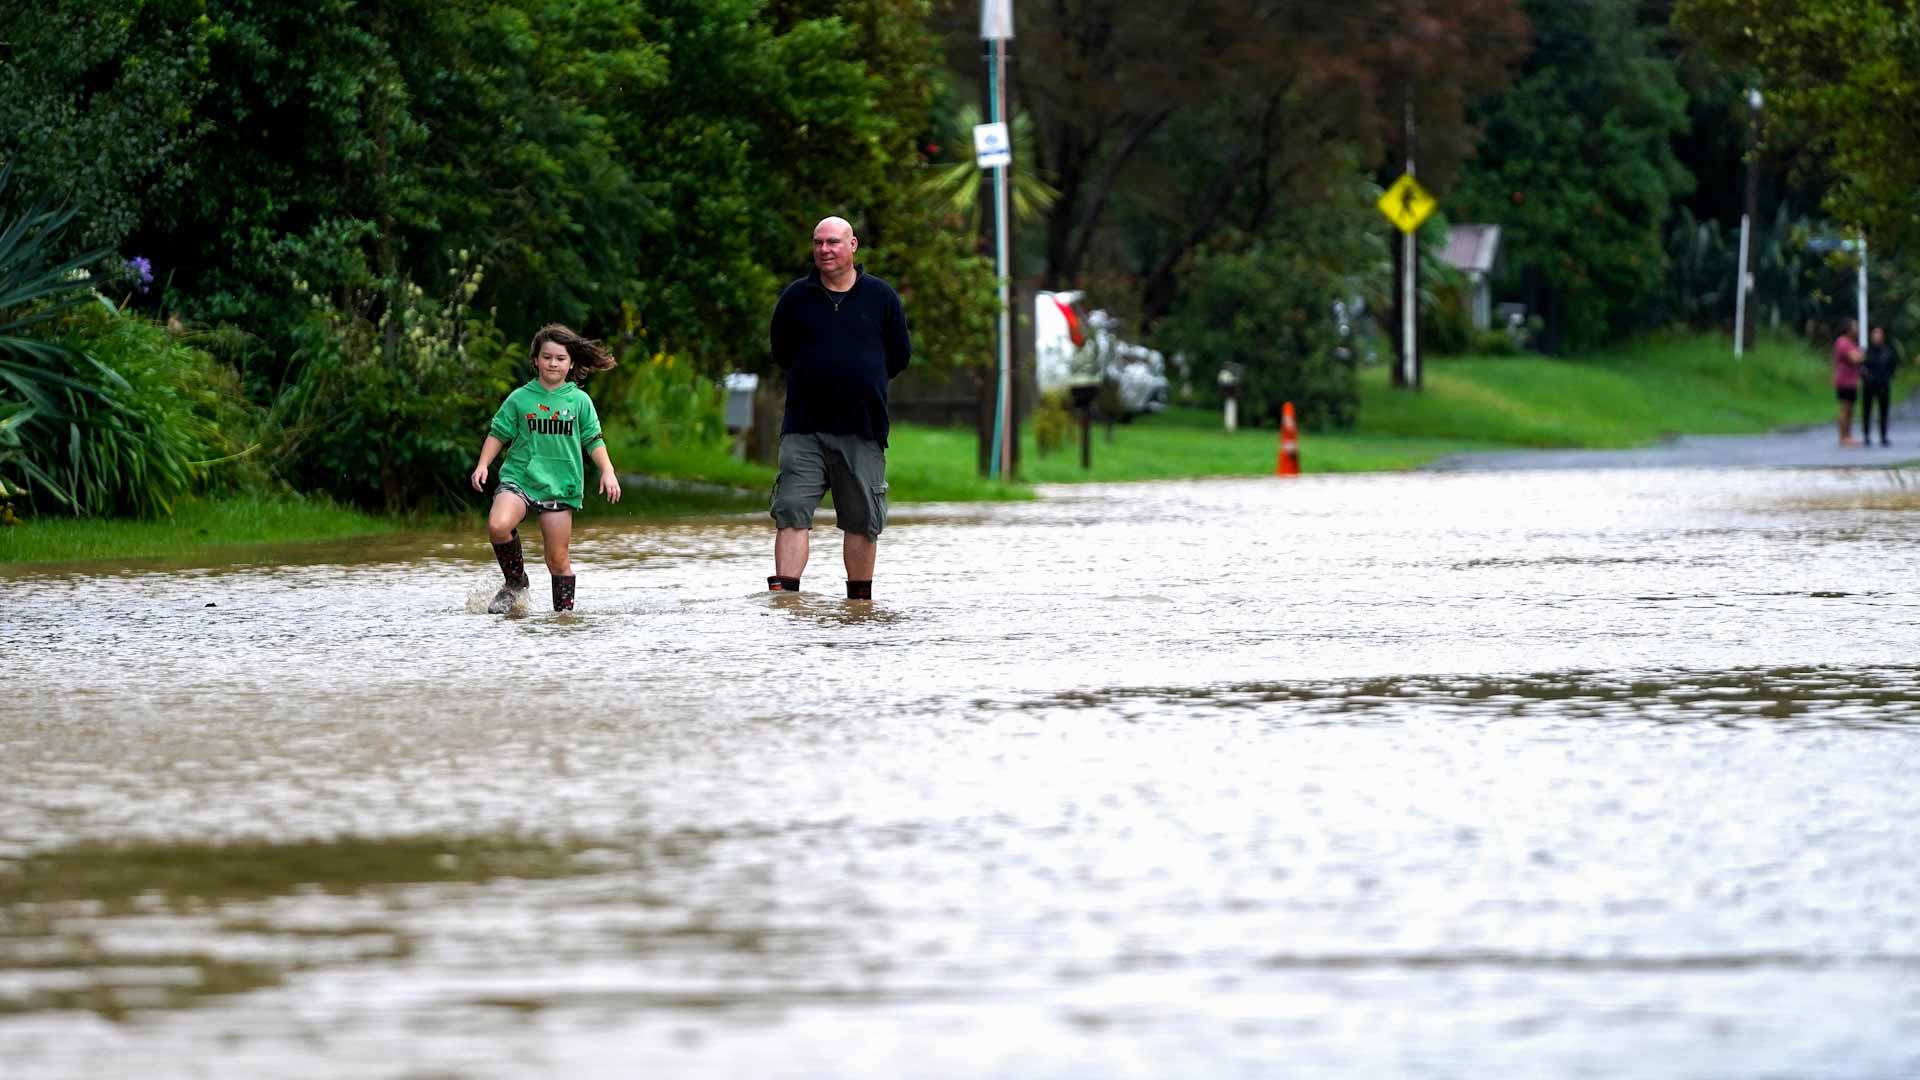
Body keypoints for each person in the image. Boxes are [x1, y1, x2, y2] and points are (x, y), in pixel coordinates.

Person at [766, 216, 912, 600]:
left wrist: (860, 378)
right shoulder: (795, 297)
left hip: (862, 428)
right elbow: (781, 352)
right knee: (791, 510)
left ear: (853, 245)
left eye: (832, 242)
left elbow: (899, 356)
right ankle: (786, 602)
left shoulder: (881, 297)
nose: (824, 249)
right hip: (803, 427)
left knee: (862, 520)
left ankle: (859, 606)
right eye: (818, 243)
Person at [470, 324, 621, 613]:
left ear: (571, 363)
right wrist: (483, 465)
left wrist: (608, 470)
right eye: (547, 357)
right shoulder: (520, 398)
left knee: (558, 561)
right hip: (520, 478)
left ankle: (563, 619)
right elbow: (498, 433)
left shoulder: (579, 401)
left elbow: (593, 439)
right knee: (498, 525)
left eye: (560, 358)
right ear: (536, 360)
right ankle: (515, 582)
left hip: (560, 485)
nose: (553, 363)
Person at [1859, 325, 1902, 447]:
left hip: (1883, 384)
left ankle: (1883, 436)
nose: (1877, 337)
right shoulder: (1866, 352)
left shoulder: (1888, 351)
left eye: (1879, 334)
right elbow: (1861, 366)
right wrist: (1865, 377)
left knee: (1883, 411)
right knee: (1867, 410)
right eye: (1875, 334)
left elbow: (1893, 366)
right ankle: (1866, 436)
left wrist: (1888, 376)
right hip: (1869, 385)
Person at [1833, 320, 1865, 447]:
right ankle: (1843, 436)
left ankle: (1848, 435)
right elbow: (1855, 359)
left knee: (1850, 408)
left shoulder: (1851, 343)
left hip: (1851, 381)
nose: (1857, 329)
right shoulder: (1843, 342)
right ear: (1848, 329)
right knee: (1845, 408)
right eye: (1855, 327)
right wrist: (1862, 354)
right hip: (1844, 380)